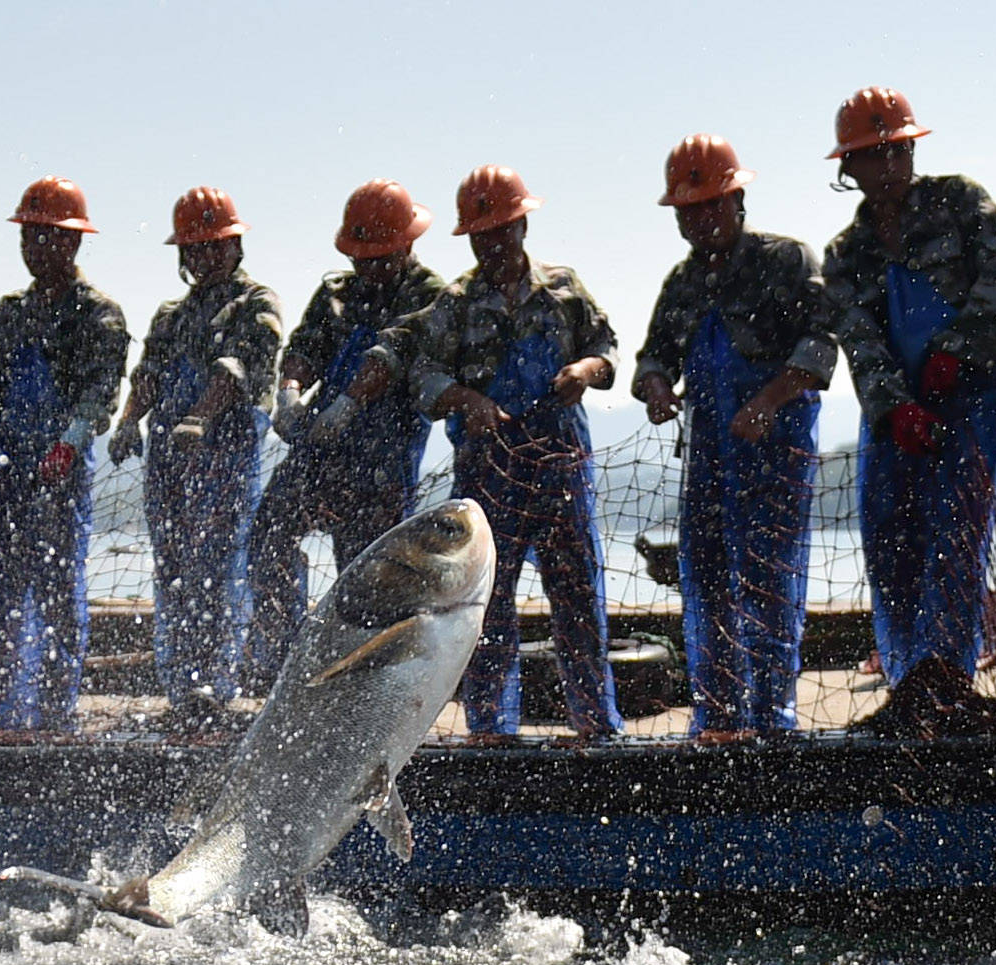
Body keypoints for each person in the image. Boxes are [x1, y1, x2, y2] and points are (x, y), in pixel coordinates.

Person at [386, 166, 621, 736]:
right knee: (486, 606)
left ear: (521, 226)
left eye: (500, 230)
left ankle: (596, 722)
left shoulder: (564, 288)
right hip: (489, 473)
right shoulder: (457, 302)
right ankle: (492, 724)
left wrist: (583, 372)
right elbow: (424, 378)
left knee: (578, 596)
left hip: (562, 466)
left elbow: (607, 352)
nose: (491, 244)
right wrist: (467, 399)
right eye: (480, 234)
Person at [818, 89, 996, 723]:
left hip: (972, 394)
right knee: (889, 536)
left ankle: (948, 679)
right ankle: (908, 674)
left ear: (912, 150)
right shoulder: (844, 253)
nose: (886, 167)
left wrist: (957, 354)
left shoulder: (961, 202)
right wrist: (895, 407)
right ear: (847, 169)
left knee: (953, 533)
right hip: (895, 408)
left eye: (896, 152)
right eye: (870, 157)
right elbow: (856, 338)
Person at [634, 136, 839, 738]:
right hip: (710, 454)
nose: (699, 219)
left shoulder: (788, 260)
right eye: (687, 210)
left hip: (776, 449)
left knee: (771, 580)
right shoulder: (682, 281)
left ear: (738, 199)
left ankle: (773, 717)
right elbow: (654, 355)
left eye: (710, 205)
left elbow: (823, 343)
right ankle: (719, 716)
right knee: (707, 581)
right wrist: (654, 390)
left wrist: (768, 400)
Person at [241, 180, 446, 696]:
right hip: (320, 449)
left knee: (370, 577)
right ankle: (283, 656)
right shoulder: (336, 292)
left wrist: (349, 403)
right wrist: (289, 392)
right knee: (269, 531)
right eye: (361, 258)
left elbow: (392, 352)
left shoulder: (430, 295)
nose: (368, 268)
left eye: (379, 258)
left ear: (405, 245)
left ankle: (366, 689)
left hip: (382, 459)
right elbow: (305, 346)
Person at [0, 177, 129, 731]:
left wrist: (69, 444)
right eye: (28, 238)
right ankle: (2, 711)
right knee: (4, 590)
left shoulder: (99, 313)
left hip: (61, 472)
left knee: (57, 591)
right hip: (8, 469)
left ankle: (54, 712)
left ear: (73, 243)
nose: (34, 249)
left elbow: (101, 392)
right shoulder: (10, 312)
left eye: (46, 238)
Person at [109, 186, 284, 726]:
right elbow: (149, 374)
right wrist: (127, 421)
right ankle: (180, 688)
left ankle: (218, 687)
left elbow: (239, 369)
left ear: (234, 247)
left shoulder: (257, 304)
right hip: (168, 463)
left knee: (220, 571)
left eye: (214, 247)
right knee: (175, 573)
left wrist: (200, 417)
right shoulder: (170, 315)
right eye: (194, 249)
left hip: (226, 458)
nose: (204, 258)